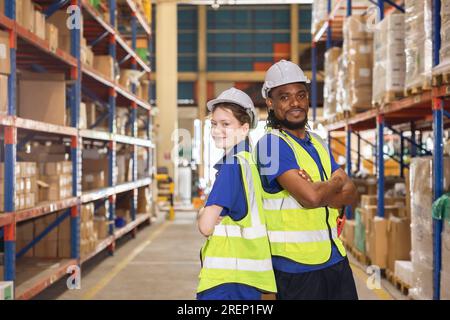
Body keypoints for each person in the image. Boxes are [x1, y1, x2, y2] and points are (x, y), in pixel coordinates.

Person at [256, 60, 359, 300]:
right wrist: (335, 183)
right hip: (296, 269)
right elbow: (310, 197)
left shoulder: (318, 142)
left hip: (335, 259)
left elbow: (351, 194)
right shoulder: (270, 146)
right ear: (270, 103)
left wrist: (320, 188)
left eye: (300, 95)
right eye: (284, 97)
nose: (295, 103)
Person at [196, 87, 277, 300]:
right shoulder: (249, 161)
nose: (216, 130)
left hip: (226, 282)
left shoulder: (232, 166)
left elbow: (205, 226)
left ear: (243, 128)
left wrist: (203, 212)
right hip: (246, 280)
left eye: (225, 124)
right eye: (214, 124)